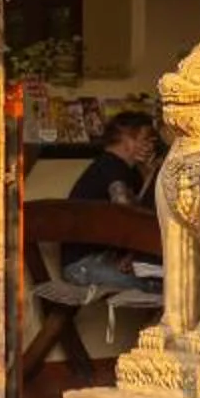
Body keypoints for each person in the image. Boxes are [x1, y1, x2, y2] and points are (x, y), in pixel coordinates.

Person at [57, 111, 160, 293]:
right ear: (127, 139)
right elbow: (130, 217)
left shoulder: (126, 171)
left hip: (98, 260)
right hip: (85, 264)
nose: (151, 145)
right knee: (159, 286)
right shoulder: (112, 167)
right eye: (147, 138)